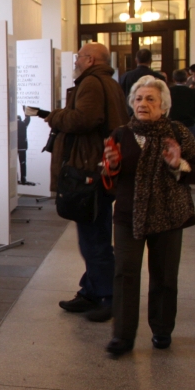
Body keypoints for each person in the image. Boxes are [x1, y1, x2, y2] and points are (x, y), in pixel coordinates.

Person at [101, 76, 195, 354]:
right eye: (138, 99)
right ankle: (122, 336)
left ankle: (162, 329)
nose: (142, 104)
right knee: (125, 273)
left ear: (163, 106)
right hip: (129, 214)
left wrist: (178, 163)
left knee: (164, 276)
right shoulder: (120, 134)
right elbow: (109, 181)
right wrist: (111, 167)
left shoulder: (177, 132)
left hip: (169, 215)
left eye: (150, 99)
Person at [36, 43, 128, 321]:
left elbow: (84, 119)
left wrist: (54, 116)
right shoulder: (107, 82)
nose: (75, 60)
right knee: (93, 233)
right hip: (98, 166)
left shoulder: (91, 83)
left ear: (90, 60)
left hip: (89, 169)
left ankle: (107, 296)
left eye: (79, 56)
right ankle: (91, 290)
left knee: (94, 238)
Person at [17, 113, 34, 185]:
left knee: (13, 164)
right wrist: (26, 112)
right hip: (22, 147)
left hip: (14, 147)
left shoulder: (12, 125)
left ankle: (15, 178)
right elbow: (28, 119)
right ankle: (23, 179)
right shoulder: (23, 124)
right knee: (23, 163)